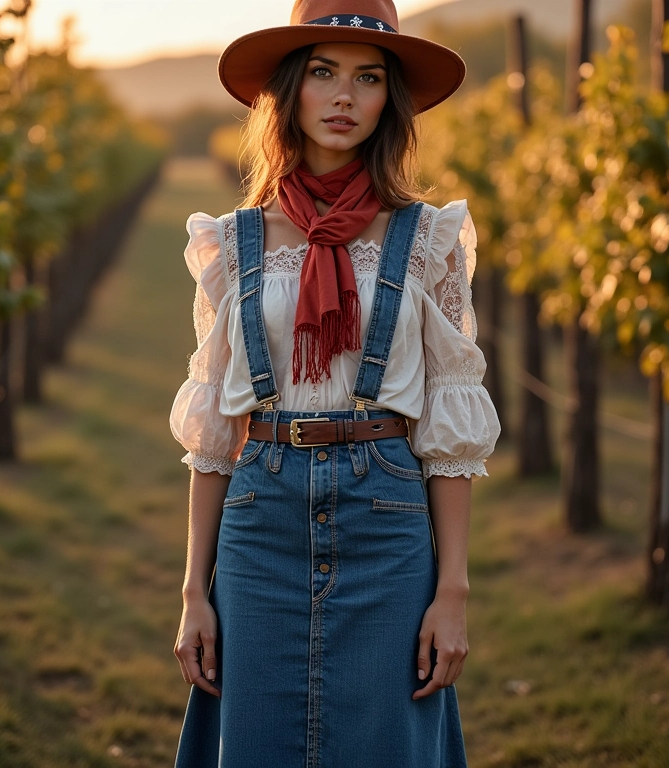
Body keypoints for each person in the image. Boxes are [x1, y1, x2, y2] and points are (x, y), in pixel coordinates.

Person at [169, 1, 500, 765]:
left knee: (384, 740)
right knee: (256, 742)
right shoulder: (233, 241)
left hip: (386, 515)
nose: (345, 96)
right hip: (260, 522)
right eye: (323, 73)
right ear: (290, 90)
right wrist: (194, 591)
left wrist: (452, 592)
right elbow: (216, 435)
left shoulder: (429, 239)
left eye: (368, 77)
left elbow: (448, 436)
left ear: (392, 100)